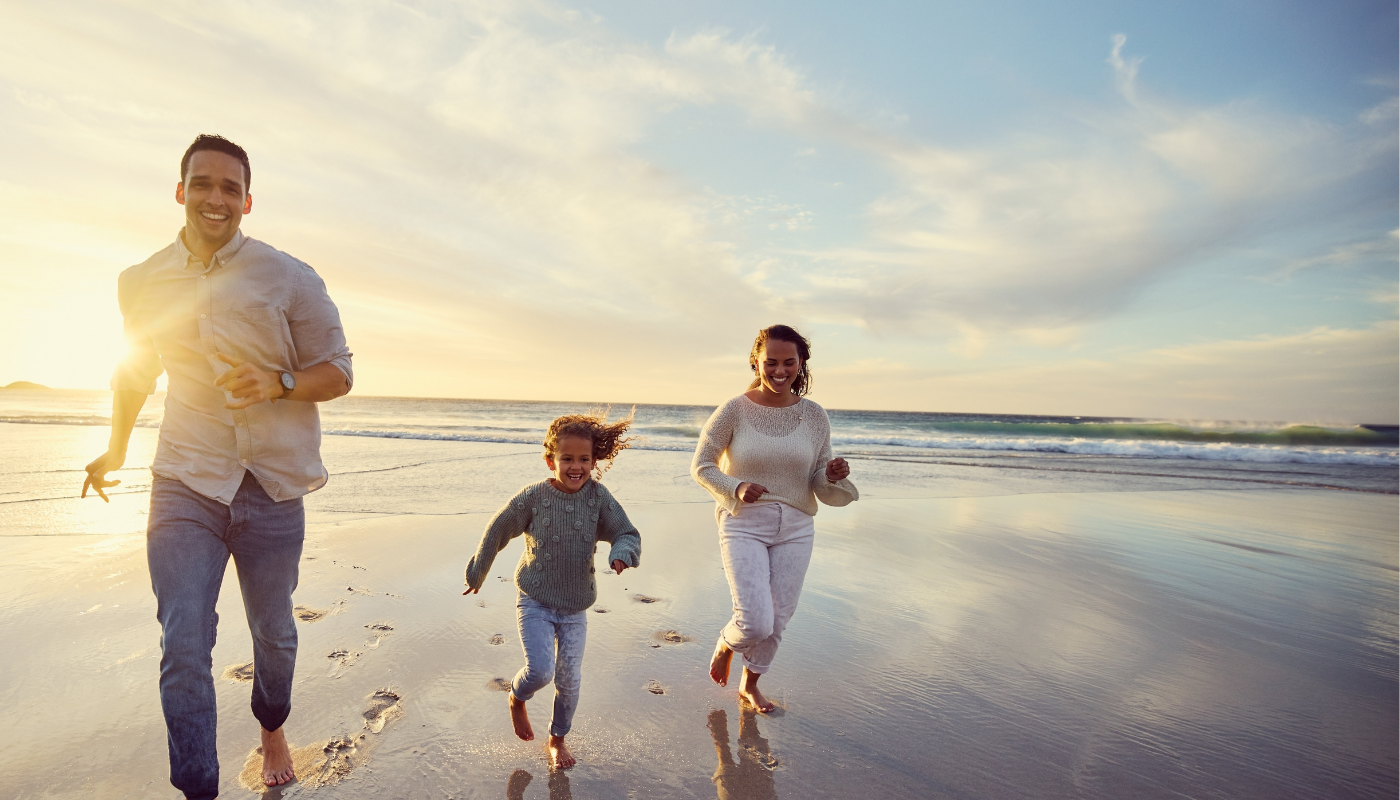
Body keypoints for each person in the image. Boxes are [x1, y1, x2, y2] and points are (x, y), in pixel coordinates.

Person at [82, 134, 353, 799]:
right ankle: (198, 789)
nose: (215, 197)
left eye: (230, 188)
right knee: (183, 644)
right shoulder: (141, 281)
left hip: (272, 487)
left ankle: (271, 726)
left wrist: (279, 381)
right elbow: (137, 370)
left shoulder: (289, 276)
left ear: (247, 202)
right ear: (180, 191)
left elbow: (339, 373)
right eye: (202, 183)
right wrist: (116, 449)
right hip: (185, 480)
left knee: (275, 636)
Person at [691, 324, 857, 712]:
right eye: (771, 363)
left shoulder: (814, 416)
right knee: (755, 621)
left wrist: (831, 476)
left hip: (797, 528)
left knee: (778, 619)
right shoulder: (734, 409)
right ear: (756, 362)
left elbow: (815, 478)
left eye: (789, 363)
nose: (779, 371)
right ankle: (727, 641)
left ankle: (750, 685)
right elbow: (701, 466)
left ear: (801, 364)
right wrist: (736, 487)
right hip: (744, 523)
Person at [463, 412, 642, 770]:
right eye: (567, 459)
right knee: (541, 671)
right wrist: (478, 571)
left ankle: (557, 739)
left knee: (569, 680)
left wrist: (622, 552)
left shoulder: (598, 498)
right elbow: (498, 527)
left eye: (584, 460)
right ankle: (517, 697)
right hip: (535, 600)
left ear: (594, 461)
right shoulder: (534, 498)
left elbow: (626, 532)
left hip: (575, 607)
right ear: (551, 460)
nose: (576, 467)